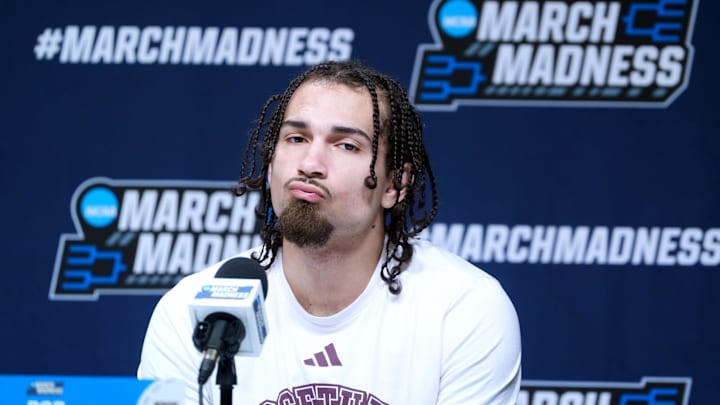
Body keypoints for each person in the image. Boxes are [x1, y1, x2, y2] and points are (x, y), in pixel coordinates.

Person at [138, 60, 522, 405]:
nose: (310, 163)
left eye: (346, 145)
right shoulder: (194, 312)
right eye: (296, 138)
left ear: (394, 184)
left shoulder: (462, 310)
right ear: (271, 163)